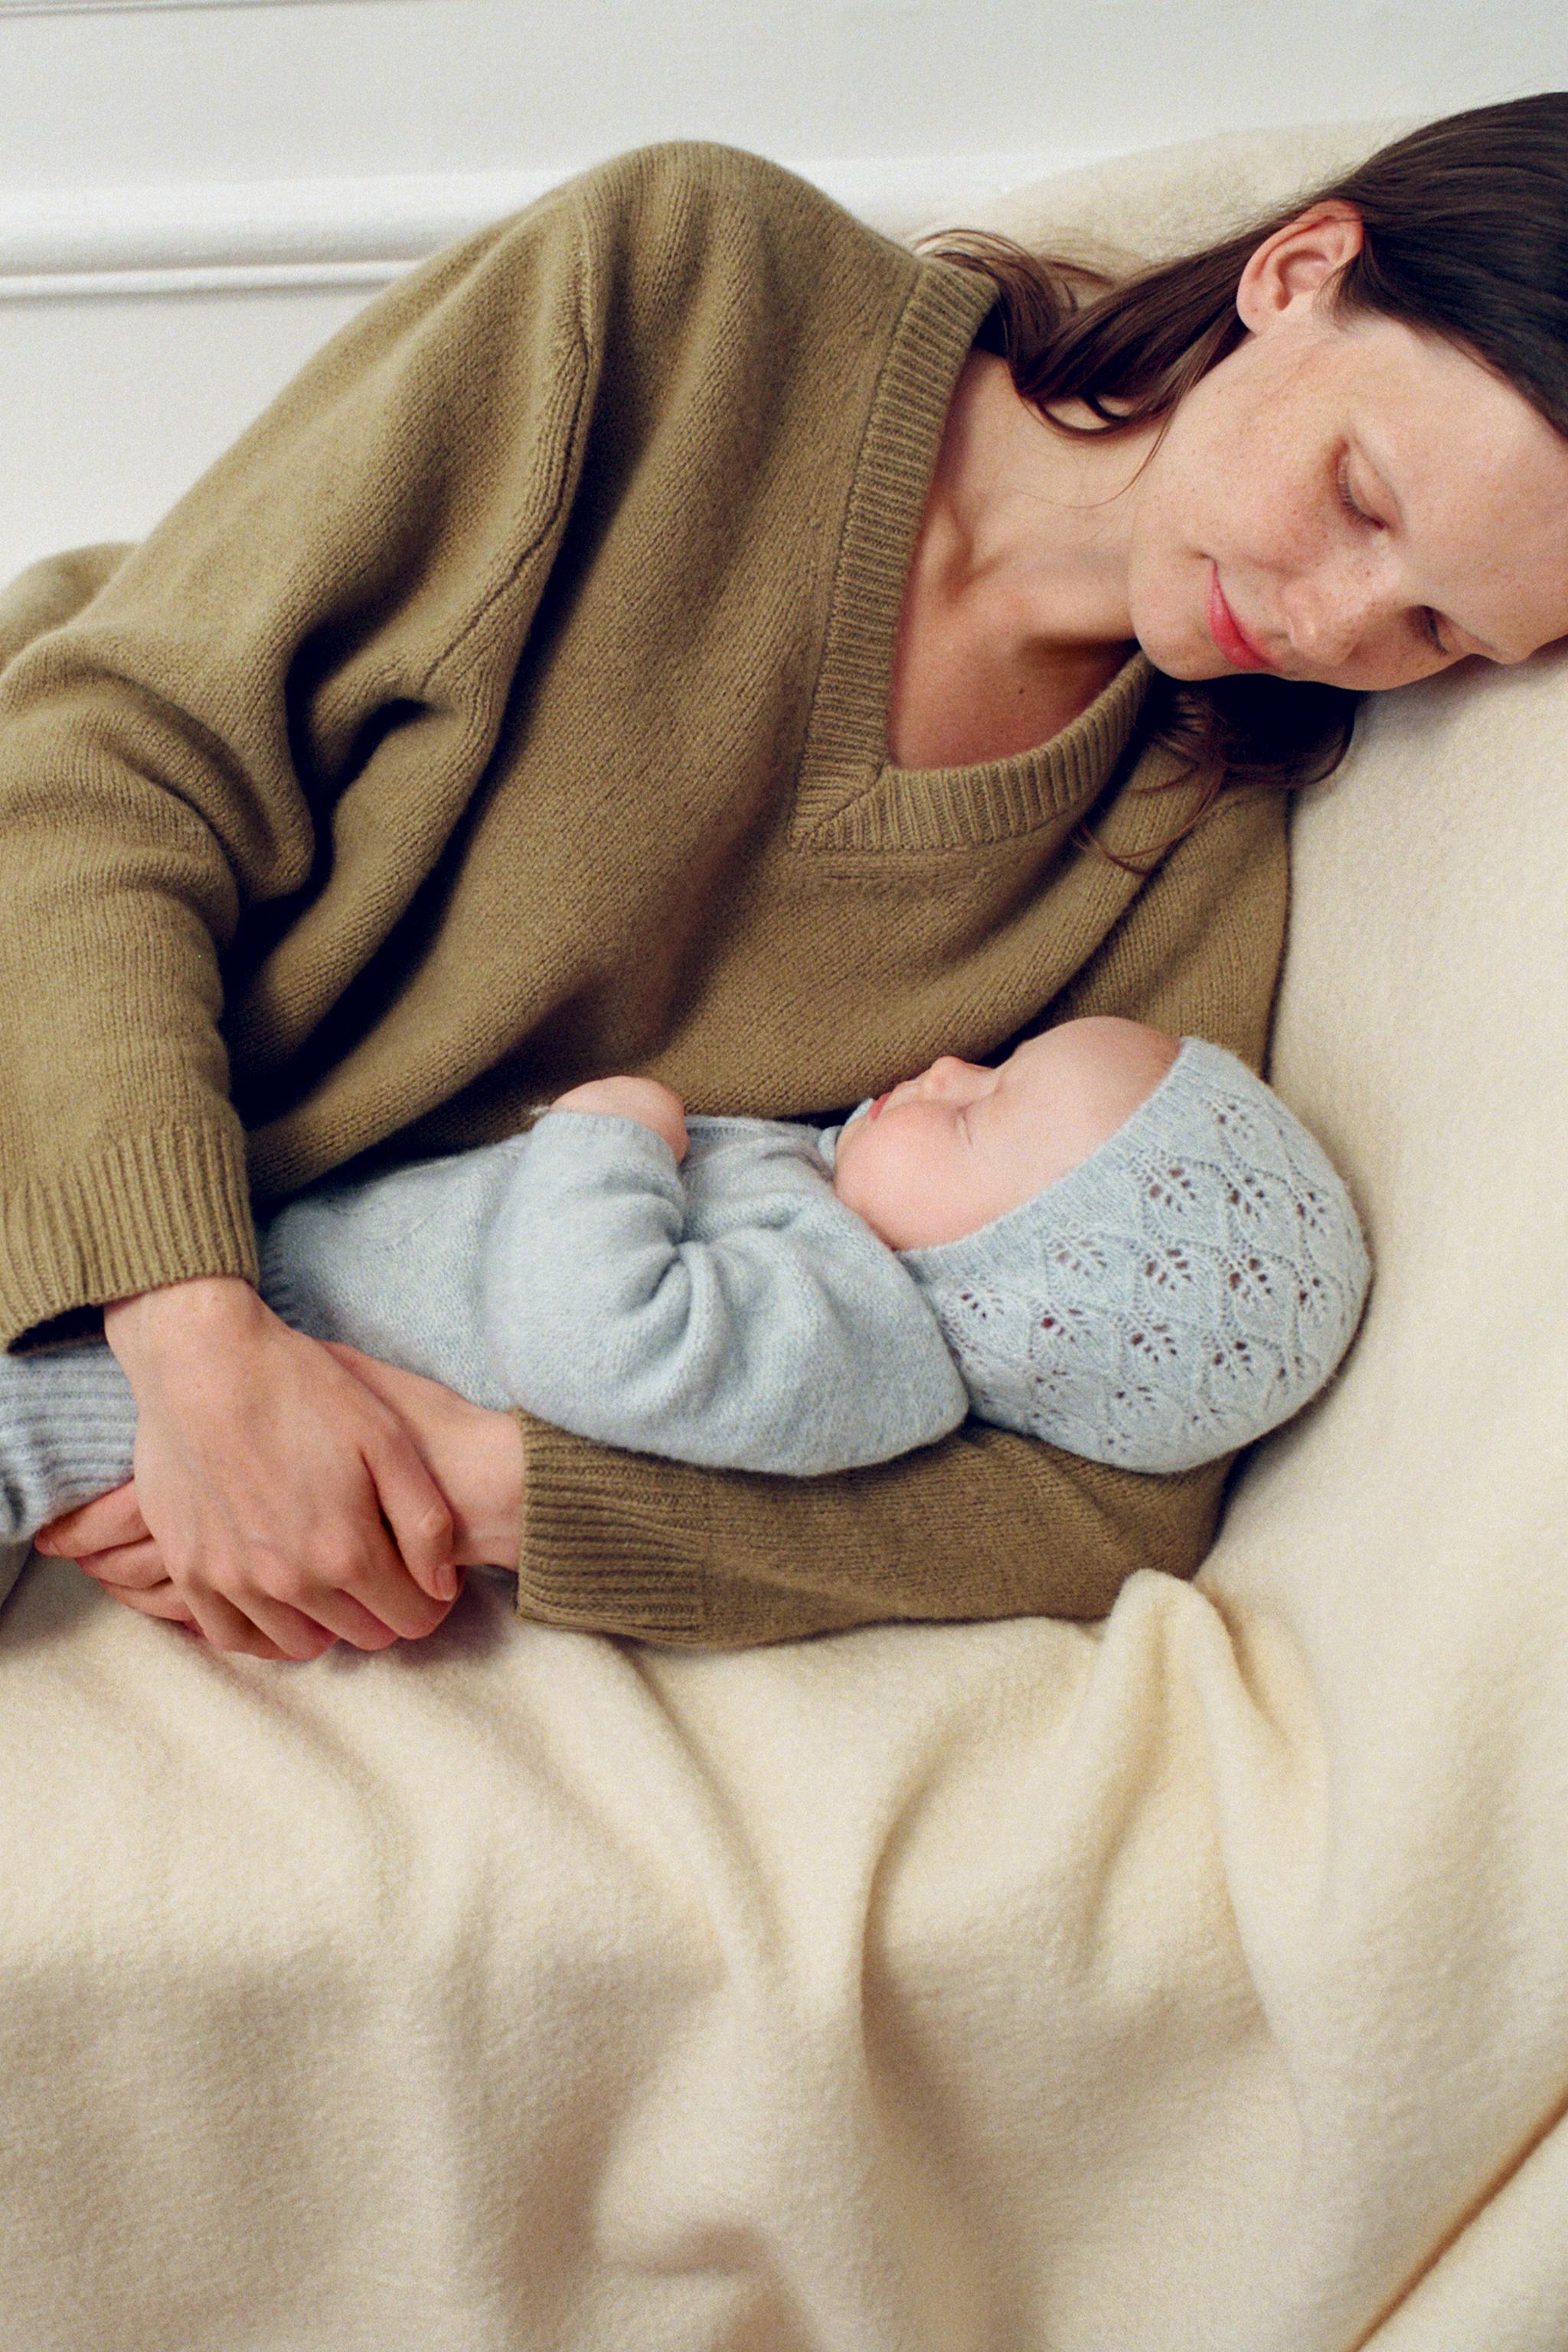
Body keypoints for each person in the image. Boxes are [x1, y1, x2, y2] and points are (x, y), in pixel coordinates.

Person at [6, 97, 1568, 1664]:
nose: (1338, 625)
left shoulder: (1186, 834)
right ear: (1297, 272)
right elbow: (98, 771)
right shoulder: (693, 294)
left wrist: (477, 1487)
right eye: (1362, 497)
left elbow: (1110, 1501)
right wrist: (195, 1356)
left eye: (1438, 632)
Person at [0, 1016, 1371, 1569]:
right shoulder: (831, 1218)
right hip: (272, 1276)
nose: (948, 1065)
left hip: (302, 1377)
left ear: (1007, 1289)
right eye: (992, 1059)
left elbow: (590, 1346)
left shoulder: (856, 1333)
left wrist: (613, 1132)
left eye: (978, 1112)